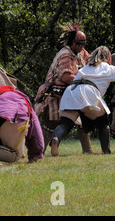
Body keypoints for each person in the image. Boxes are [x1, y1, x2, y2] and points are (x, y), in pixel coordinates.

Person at [50, 46, 115, 156]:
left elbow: (76, 79)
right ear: (108, 58)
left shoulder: (86, 68)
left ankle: (56, 138)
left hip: (72, 91)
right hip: (89, 91)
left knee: (66, 123)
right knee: (103, 123)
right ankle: (106, 151)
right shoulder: (108, 68)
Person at [34, 23, 93, 153]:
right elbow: (66, 77)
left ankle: (88, 150)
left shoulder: (80, 52)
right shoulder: (65, 55)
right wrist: (85, 79)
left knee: (83, 120)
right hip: (55, 95)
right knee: (50, 123)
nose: (82, 46)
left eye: (84, 43)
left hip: (71, 93)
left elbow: (91, 61)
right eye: (80, 43)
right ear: (73, 42)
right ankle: (37, 152)